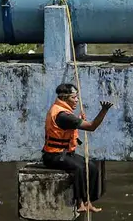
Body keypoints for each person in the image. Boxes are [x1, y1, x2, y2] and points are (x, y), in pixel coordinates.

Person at [42, 83, 114, 213]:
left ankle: (88, 201)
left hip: (64, 153)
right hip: (53, 156)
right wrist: (104, 110)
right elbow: (91, 126)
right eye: (74, 98)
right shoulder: (62, 115)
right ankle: (79, 202)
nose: (76, 101)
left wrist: (77, 120)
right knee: (79, 168)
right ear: (64, 98)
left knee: (91, 167)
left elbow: (68, 125)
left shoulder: (62, 112)